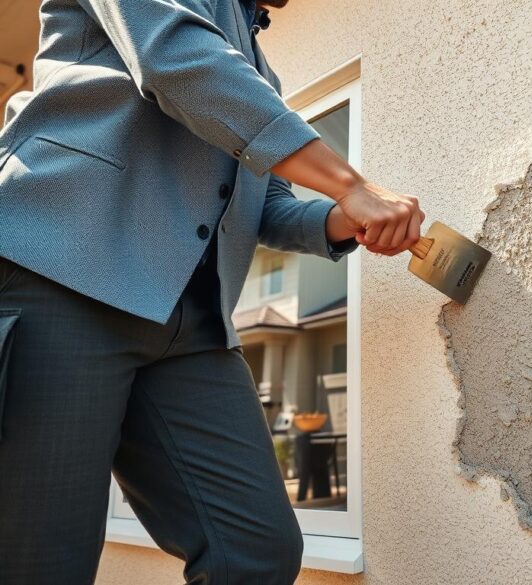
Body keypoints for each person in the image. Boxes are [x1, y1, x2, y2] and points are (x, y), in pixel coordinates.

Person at [0, 1, 422, 583]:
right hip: (65, 274)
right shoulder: (199, 41)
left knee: (255, 550)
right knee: (40, 562)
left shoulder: (258, 74)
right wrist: (351, 183)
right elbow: (175, 59)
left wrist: (335, 220)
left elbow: (264, 202)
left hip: (191, 325)